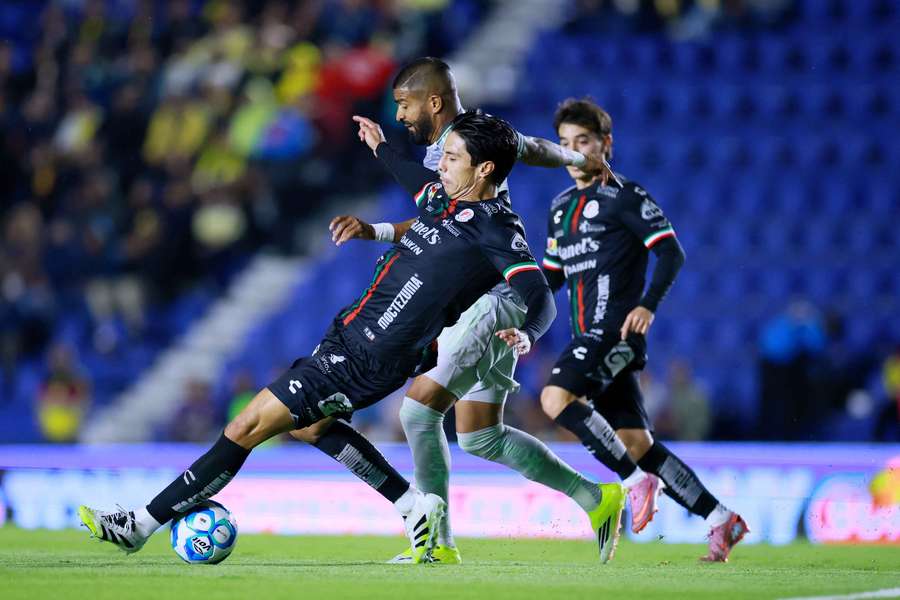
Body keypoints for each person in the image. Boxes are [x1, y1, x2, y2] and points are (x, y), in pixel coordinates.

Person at [77, 110, 625, 564]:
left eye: (453, 157)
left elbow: (538, 292)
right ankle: (414, 507)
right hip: (350, 335)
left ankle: (140, 524)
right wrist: (381, 148)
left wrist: (527, 334)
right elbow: (414, 180)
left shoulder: (496, 229)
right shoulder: (446, 200)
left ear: (483, 170)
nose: (442, 164)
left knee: (244, 426)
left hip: (371, 355)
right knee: (312, 427)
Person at [299, 57, 634, 565]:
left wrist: (528, 332)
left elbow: (516, 267)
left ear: (433, 103)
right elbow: (435, 213)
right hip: (490, 296)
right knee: (479, 435)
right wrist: (378, 213)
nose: (400, 115)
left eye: (404, 106)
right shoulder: (473, 147)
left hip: (487, 300)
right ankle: (597, 498)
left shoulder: (473, 148)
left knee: (417, 413)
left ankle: (435, 543)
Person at [539, 97, 749, 562]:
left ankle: (635, 483)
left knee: (555, 398)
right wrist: (512, 305)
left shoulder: (625, 196)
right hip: (584, 337)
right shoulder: (559, 208)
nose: (574, 153)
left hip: (612, 331)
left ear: (605, 144)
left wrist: (648, 306)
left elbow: (671, 252)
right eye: (566, 145)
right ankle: (720, 519)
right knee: (636, 443)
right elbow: (552, 277)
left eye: (584, 142)